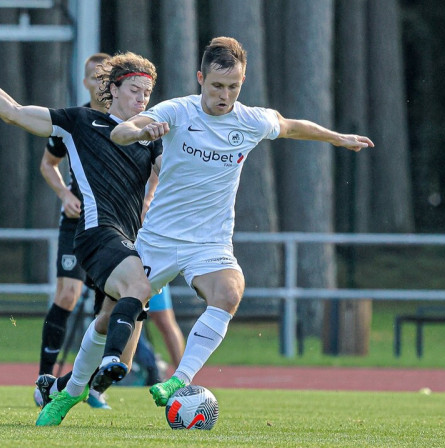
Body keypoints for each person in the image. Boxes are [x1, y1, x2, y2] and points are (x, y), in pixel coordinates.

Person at [110, 36, 374, 407]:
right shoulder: (177, 111)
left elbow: (291, 125)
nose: (225, 95)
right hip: (158, 239)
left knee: (230, 292)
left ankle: (177, 381)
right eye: (217, 86)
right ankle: (68, 392)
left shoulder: (251, 121)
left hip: (209, 243)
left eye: (233, 87)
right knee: (108, 320)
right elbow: (120, 131)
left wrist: (337, 139)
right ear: (200, 78)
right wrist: (140, 130)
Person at [0, 39, 161, 426]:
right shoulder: (78, 122)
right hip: (95, 233)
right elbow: (12, 111)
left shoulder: (151, 134)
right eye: (134, 90)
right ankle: (91, 366)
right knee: (132, 292)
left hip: (131, 240)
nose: (142, 99)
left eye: (147, 93)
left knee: (119, 344)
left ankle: (56, 387)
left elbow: (169, 176)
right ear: (113, 89)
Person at [34, 52, 114, 411]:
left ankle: (90, 386)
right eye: (94, 77)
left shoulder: (127, 121)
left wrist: (148, 200)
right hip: (77, 218)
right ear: (85, 82)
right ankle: (44, 380)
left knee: (108, 308)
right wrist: (64, 193)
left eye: (107, 77)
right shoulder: (73, 120)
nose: (101, 82)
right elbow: (48, 165)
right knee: (67, 294)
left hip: (113, 224)